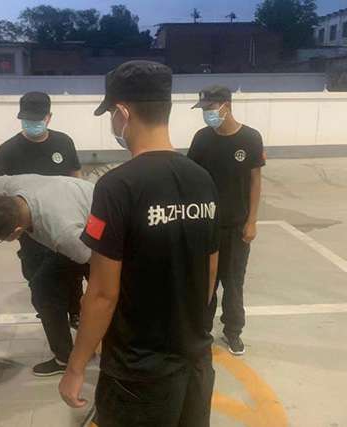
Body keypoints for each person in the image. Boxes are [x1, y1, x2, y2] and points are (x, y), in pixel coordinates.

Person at [58, 61, 220, 427]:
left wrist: (76, 366)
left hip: (138, 373)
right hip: (195, 362)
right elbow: (211, 271)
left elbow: (103, 293)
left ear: (123, 113)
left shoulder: (117, 187)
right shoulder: (202, 179)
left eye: (111, 115)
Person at [0, 91, 84, 367]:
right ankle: (64, 340)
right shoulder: (10, 149)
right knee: (42, 289)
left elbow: (75, 177)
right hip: (33, 235)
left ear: (48, 117)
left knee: (69, 282)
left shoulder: (63, 143)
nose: (31, 124)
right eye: (26, 119)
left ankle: (77, 322)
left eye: (37, 119)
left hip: (66, 227)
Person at [0, 173, 94, 375]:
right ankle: (65, 357)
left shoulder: (63, 233)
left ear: (16, 232)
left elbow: (102, 265)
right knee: (43, 288)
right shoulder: (11, 188)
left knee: (105, 300)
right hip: (79, 218)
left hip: (106, 245)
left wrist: (95, 310)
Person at [188, 85, 265, 356]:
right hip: (206, 226)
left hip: (236, 227)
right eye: (204, 109)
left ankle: (233, 331)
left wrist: (252, 220)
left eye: (210, 108)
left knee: (233, 282)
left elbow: (255, 181)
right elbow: (192, 178)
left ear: (226, 106)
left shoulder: (251, 138)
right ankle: (202, 330)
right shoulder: (202, 139)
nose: (206, 114)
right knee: (204, 282)